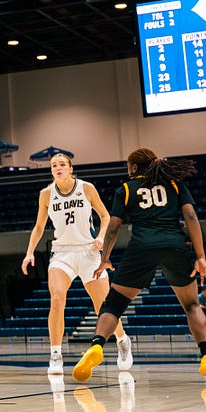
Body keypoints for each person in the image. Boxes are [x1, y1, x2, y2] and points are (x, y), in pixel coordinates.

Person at [71, 148, 206, 383]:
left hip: (141, 247)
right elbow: (191, 217)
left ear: (133, 168)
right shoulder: (174, 184)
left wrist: (105, 258)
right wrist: (201, 256)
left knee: (114, 304)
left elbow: (113, 227)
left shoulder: (125, 189)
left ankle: (96, 346)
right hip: (174, 245)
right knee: (192, 305)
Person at [20, 153, 132, 374]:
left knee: (103, 307)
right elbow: (39, 227)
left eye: (62, 164)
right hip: (62, 253)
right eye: (54, 165)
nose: (58, 167)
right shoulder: (45, 194)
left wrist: (101, 237)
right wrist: (29, 252)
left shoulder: (86, 188)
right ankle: (55, 354)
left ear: (70, 168)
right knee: (56, 299)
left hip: (88, 251)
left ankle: (122, 340)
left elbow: (105, 216)